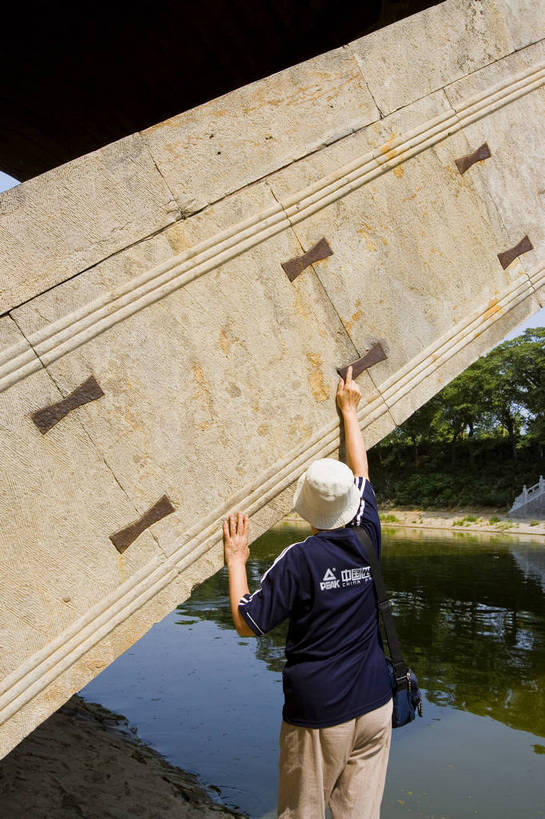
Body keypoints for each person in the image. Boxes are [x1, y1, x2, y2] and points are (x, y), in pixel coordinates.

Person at [223, 366, 393, 818]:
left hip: (321, 712)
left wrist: (237, 560)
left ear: (306, 507)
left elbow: (247, 622)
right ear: (351, 505)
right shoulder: (368, 533)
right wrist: (350, 412)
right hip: (377, 703)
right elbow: (361, 469)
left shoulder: (299, 559)